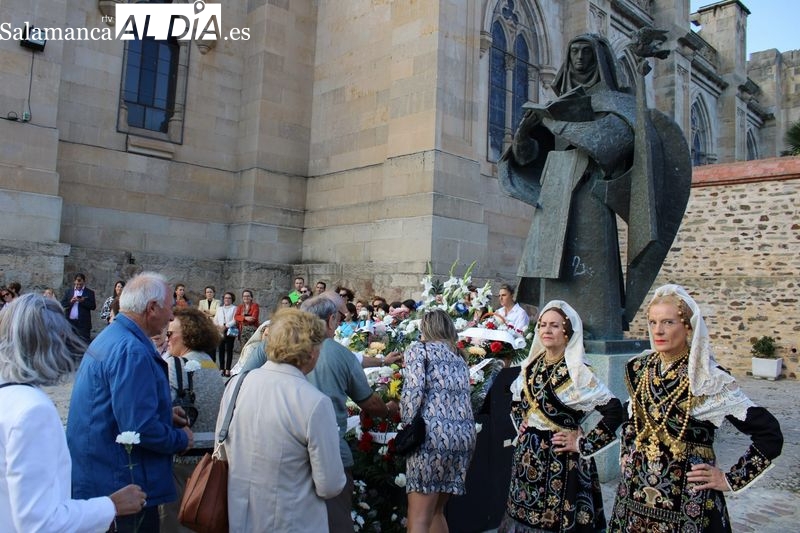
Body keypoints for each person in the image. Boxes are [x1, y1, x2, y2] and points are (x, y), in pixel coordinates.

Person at [498, 33, 690, 340]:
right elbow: (529, 157)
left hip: (590, 194)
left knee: (591, 267)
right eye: (574, 52)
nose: (579, 59)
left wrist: (554, 123)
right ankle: (554, 335)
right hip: (556, 193)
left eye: (585, 52)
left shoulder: (614, 102)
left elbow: (611, 145)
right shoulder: (555, 106)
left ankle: (596, 332)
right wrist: (523, 134)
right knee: (553, 271)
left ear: (598, 60)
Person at [608, 284, 784, 532]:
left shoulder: (707, 378)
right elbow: (632, 418)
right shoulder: (640, 369)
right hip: (634, 499)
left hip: (688, 503)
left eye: (668, 322)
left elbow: (769, 434)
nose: (658, 330)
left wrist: (729, 479)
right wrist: (626, 455)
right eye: (653, 322)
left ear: (688, 326)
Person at [0, 294, 146, 532]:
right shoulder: (32, 410)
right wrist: (110, 506)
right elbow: (40, 522)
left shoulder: (8, 396)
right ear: (53, 341)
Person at [67, 272, 194, 533]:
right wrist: (181, 439)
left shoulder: (113, 337)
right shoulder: (131, 350)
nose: (172, 317)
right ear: (152, 308)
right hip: (122, 486)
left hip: (103, 479)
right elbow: (139, 428)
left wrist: (163, 412)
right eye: (170, 308)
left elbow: (118, 407)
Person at [498, 301, 623, 532]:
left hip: (561, 462)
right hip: (527, 459)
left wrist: (582, 443)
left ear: (567, 333)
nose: (546, 330)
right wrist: (522, 422)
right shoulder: (531, 366)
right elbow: (517, 401)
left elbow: (614, 410)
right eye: (543, 325)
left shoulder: (578, 372)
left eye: (554, 325)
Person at [218, 308, 346, 532]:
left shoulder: (237, 385)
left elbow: (222, 451)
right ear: (311, 351)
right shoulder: (314, 402)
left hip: (239, 517)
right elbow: (330, 484)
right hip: (292, 521)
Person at [302, 292, 399, 533]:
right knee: (335, 516)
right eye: (338, 318)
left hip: (289, 446)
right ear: (331, 320)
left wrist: (383, 362)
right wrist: (389, 410)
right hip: (329, 445)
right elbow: (369, 403)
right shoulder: (336, 352)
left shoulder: (289, 348)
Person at [402, 309, 477, 532]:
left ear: (425, 328)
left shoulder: (419, 350)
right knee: (437, 511)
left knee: (418, 517)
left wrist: (407, 426)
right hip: (463, 438)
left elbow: (413, 392)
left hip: (431, 437)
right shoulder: (459, 357)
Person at [160, 307, 224, 532]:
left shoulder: (173, 366)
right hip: (210, 458)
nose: (167, 339)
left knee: (174, 520)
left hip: (182, 458)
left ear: (188, 335)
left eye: (171, 334)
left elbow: (161, 411)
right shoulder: (212, 366)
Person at [60, 272, 96, 343]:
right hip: (70, 323)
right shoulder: (69, 292)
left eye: (80, 284)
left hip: (83, 325)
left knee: (83, 344)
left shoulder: (89, 292)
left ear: (84, 282)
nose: (78, 286)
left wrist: (82, 301)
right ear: (74, 282)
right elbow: (63, 304)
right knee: (69, 343)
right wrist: (71, 301)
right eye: (77, 284)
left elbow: (93, 306)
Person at [214, 291, 237, 376]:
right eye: (225, 298)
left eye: (229, 298)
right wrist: (218, 327)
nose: (227, 299)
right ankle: (221, 368)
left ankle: (227, 369)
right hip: (220, 331)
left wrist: (226, 326)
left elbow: (235, 319)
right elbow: (216, 319)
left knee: (229, 350)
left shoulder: (234, 308)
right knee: (221, 350)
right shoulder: (219, 308)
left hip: (229, 331)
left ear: (232, 299)